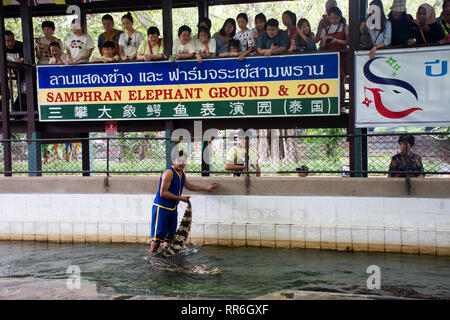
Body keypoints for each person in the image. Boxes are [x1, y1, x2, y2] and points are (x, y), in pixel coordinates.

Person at [149, 151, 218, 253]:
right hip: (161, 208)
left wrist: (206, 189)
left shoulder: (181, 173)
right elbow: (163, 193)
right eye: (179, 161)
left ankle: (165, 256)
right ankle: (150, 259)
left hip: (172, 208)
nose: (182, 163)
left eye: (184, 161)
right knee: (158, 237)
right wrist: (181, 198)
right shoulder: (169, 173)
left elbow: (189, 186)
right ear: (173, 161)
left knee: (170, 236)